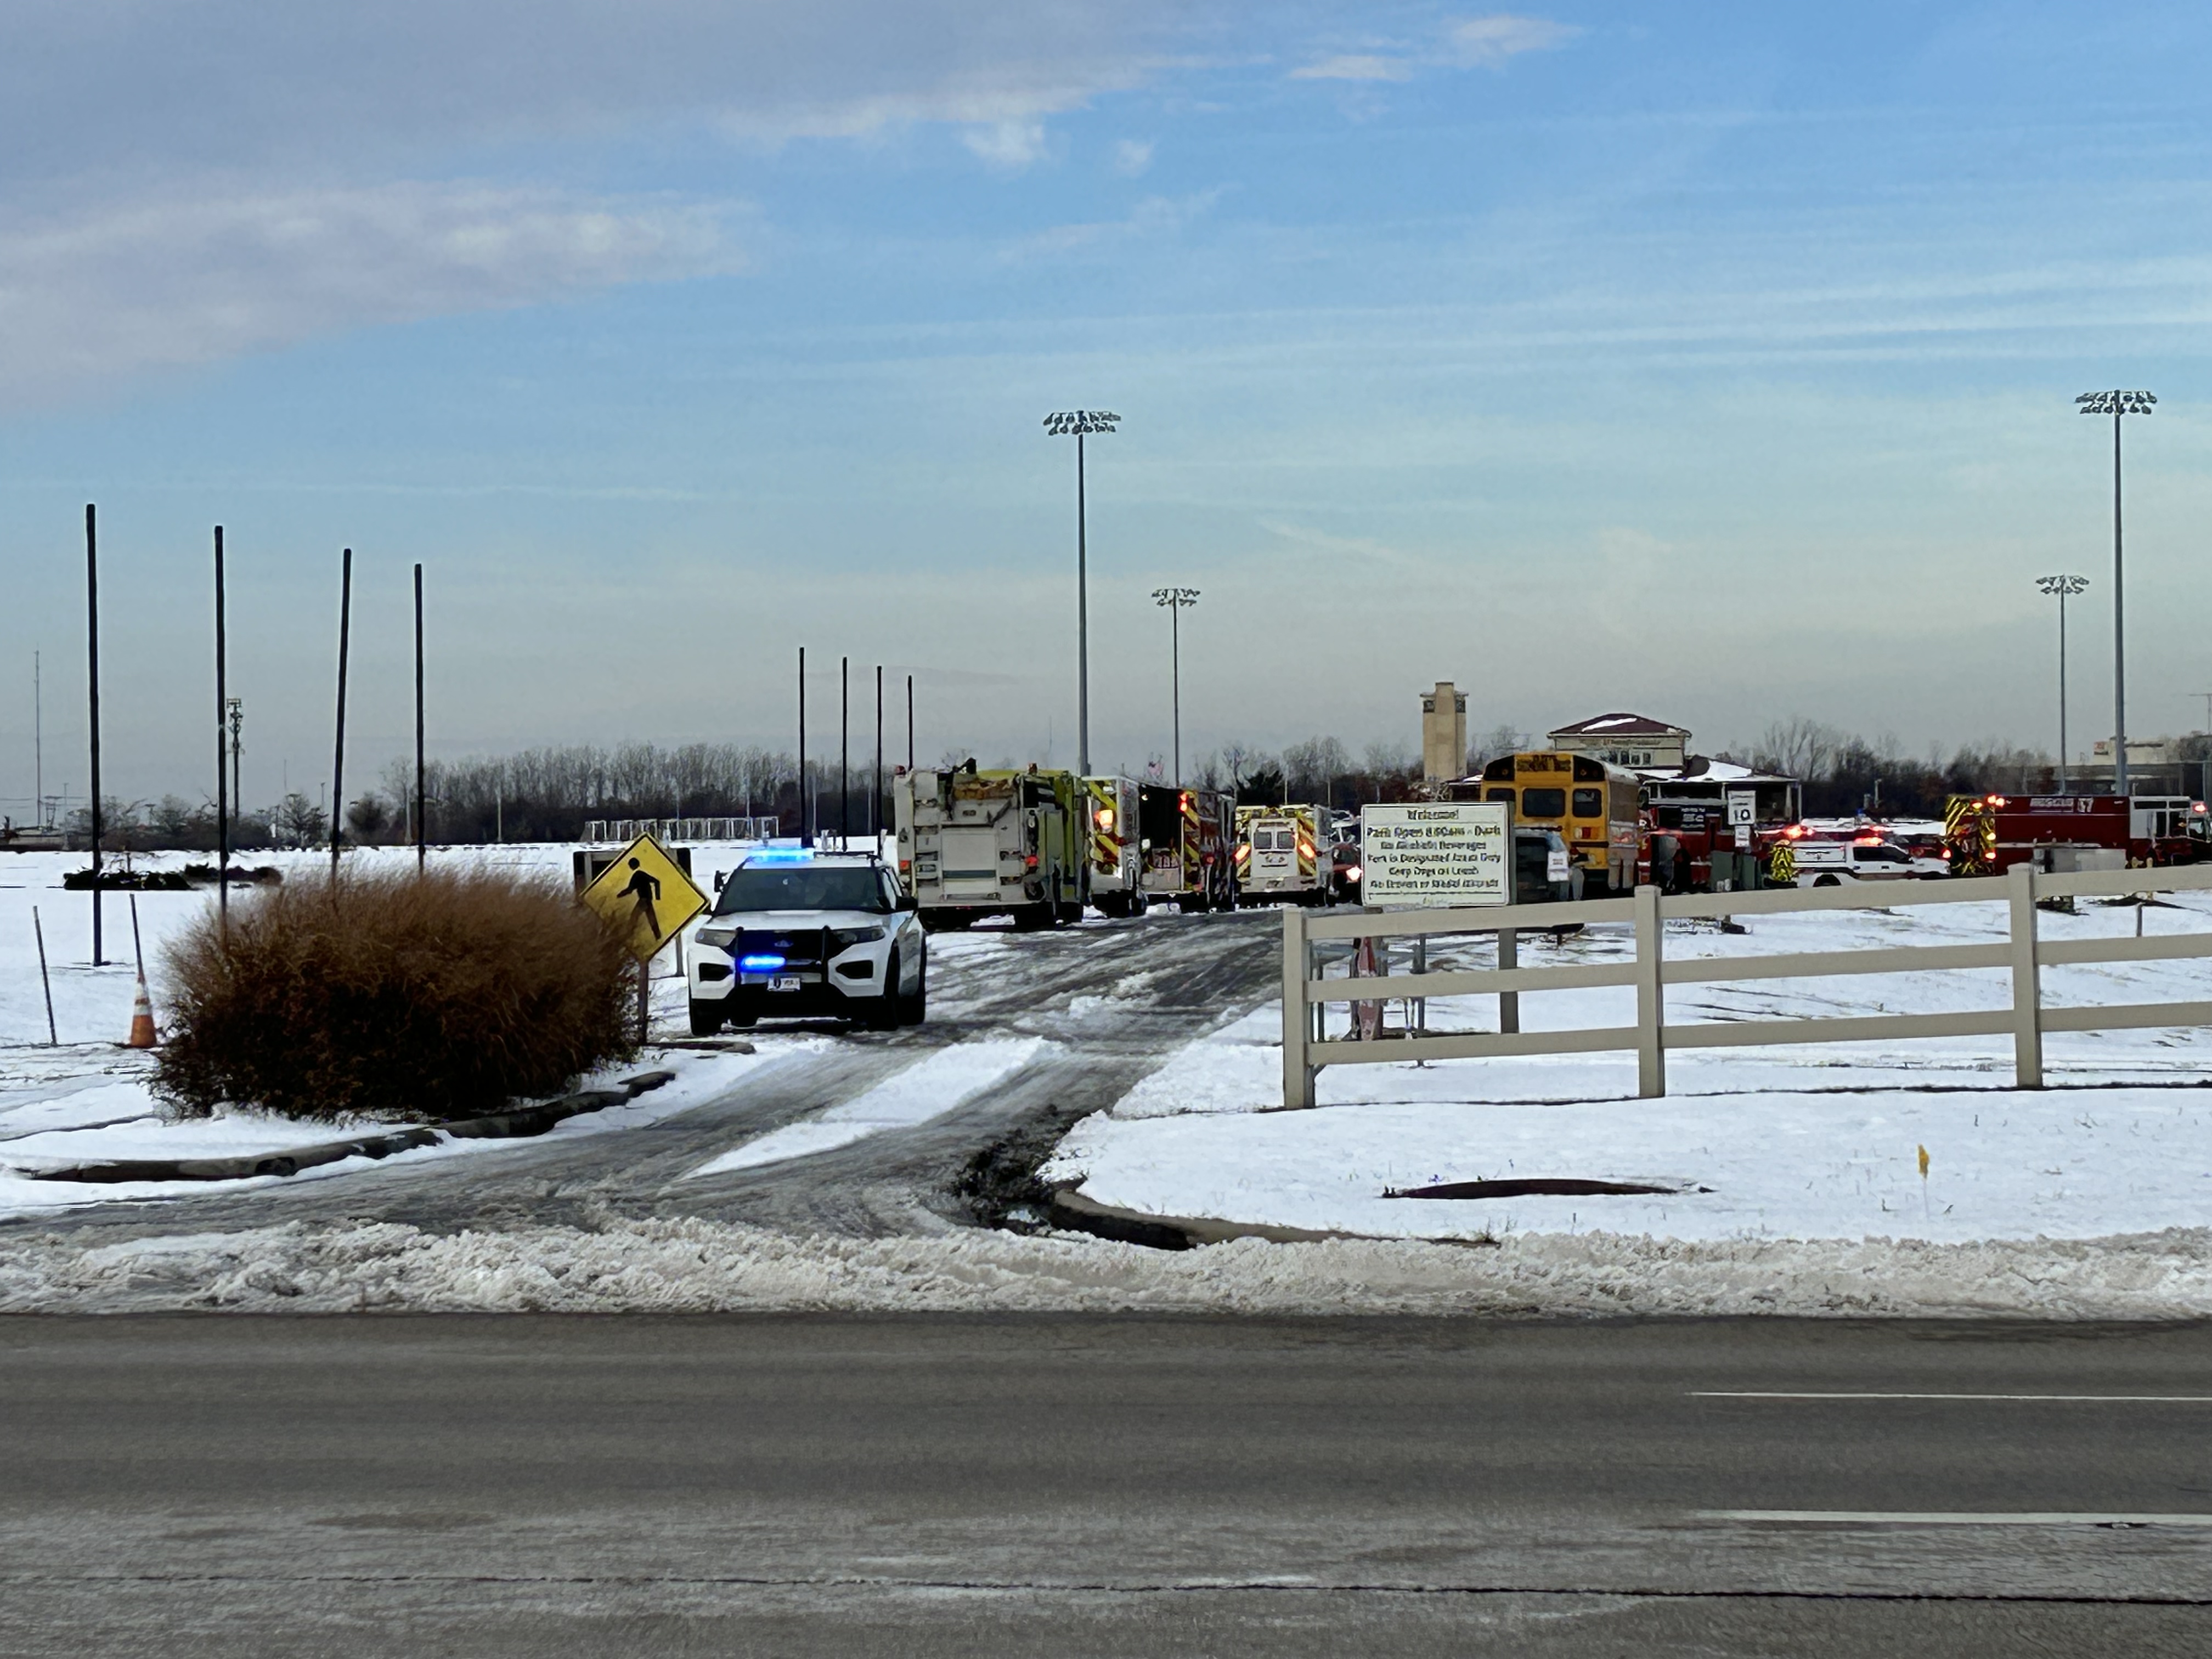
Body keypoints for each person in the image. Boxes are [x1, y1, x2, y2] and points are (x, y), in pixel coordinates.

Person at [620, 856, 662, 940]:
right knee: (652, 919)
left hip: (644, 900)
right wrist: (657, 897)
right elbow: (631, 889)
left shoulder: (638, 875)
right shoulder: (641, 874)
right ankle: (658, 937)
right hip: (648, 900)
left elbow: (630, 890)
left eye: (630, 865)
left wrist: (619, 895)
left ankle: (629, 936)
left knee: (634, 917)